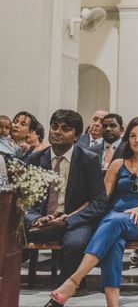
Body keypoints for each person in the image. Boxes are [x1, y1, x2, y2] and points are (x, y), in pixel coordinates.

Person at [45, 116, 138, 307]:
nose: (137, 140)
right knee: (114, 240)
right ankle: (112, 304)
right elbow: (101, 199)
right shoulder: (118, 164)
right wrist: (73, 214)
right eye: (132, 135)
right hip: (115, 218)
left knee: (113, 222)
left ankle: (73, 281)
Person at [26, 109, 107, 286]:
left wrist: (68, 220)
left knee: (76, 243)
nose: (57, 132)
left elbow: (99, 202)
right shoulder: (36, 158)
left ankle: (65, 288)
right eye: (54, 127)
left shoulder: (88, 159)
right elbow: (24, 200)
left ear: (77, 136)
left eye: (65, 128)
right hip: (41, 220)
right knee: (8, 235)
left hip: (73, 221)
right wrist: (36, 219)